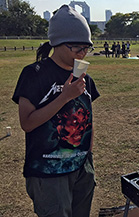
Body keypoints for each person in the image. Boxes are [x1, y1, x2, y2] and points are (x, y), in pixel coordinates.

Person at [12, 5, 100, 217]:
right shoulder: (34, 74)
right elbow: (27, 123)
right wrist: (65, 96)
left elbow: (88, 118)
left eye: (86, 47)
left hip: (81, 168)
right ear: (58, 43)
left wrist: (88, 155)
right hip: (49, 172)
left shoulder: (85, 79)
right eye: (77, 48)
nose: (83, 53)